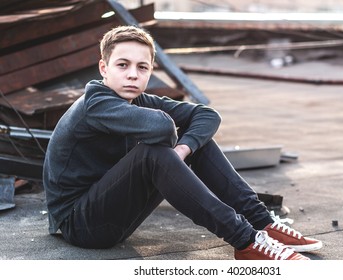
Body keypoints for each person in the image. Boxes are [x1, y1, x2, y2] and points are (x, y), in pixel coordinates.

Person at [42, 25, 322, 260]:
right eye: (123, 65)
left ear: (150, 70)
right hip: (80, 224)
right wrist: (174, 151)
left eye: (142, 67)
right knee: (154, 154)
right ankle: (246, 241)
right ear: (104, 68)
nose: (132, 75)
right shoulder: (97, 103)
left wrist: (185, 148)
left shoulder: (135, 98)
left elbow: (206, 115)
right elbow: (162, 126)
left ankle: (261, 222)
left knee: (196, 142)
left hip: (112, 215)